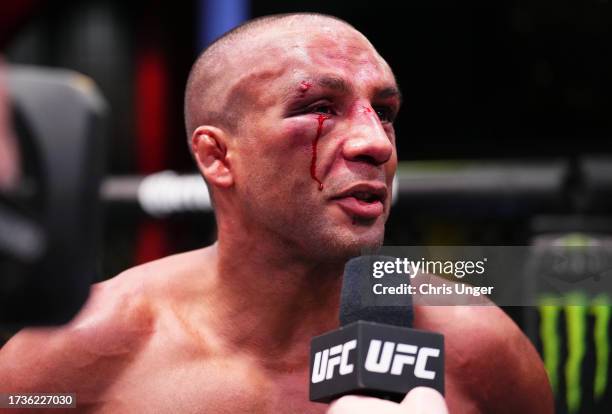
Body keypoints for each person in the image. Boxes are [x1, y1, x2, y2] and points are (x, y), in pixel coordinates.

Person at [0, 13, 552, 413]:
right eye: (317, 108)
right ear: (218, 156)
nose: (375, 143)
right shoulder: (80, 356)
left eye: (384, 112)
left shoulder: (474, 346)